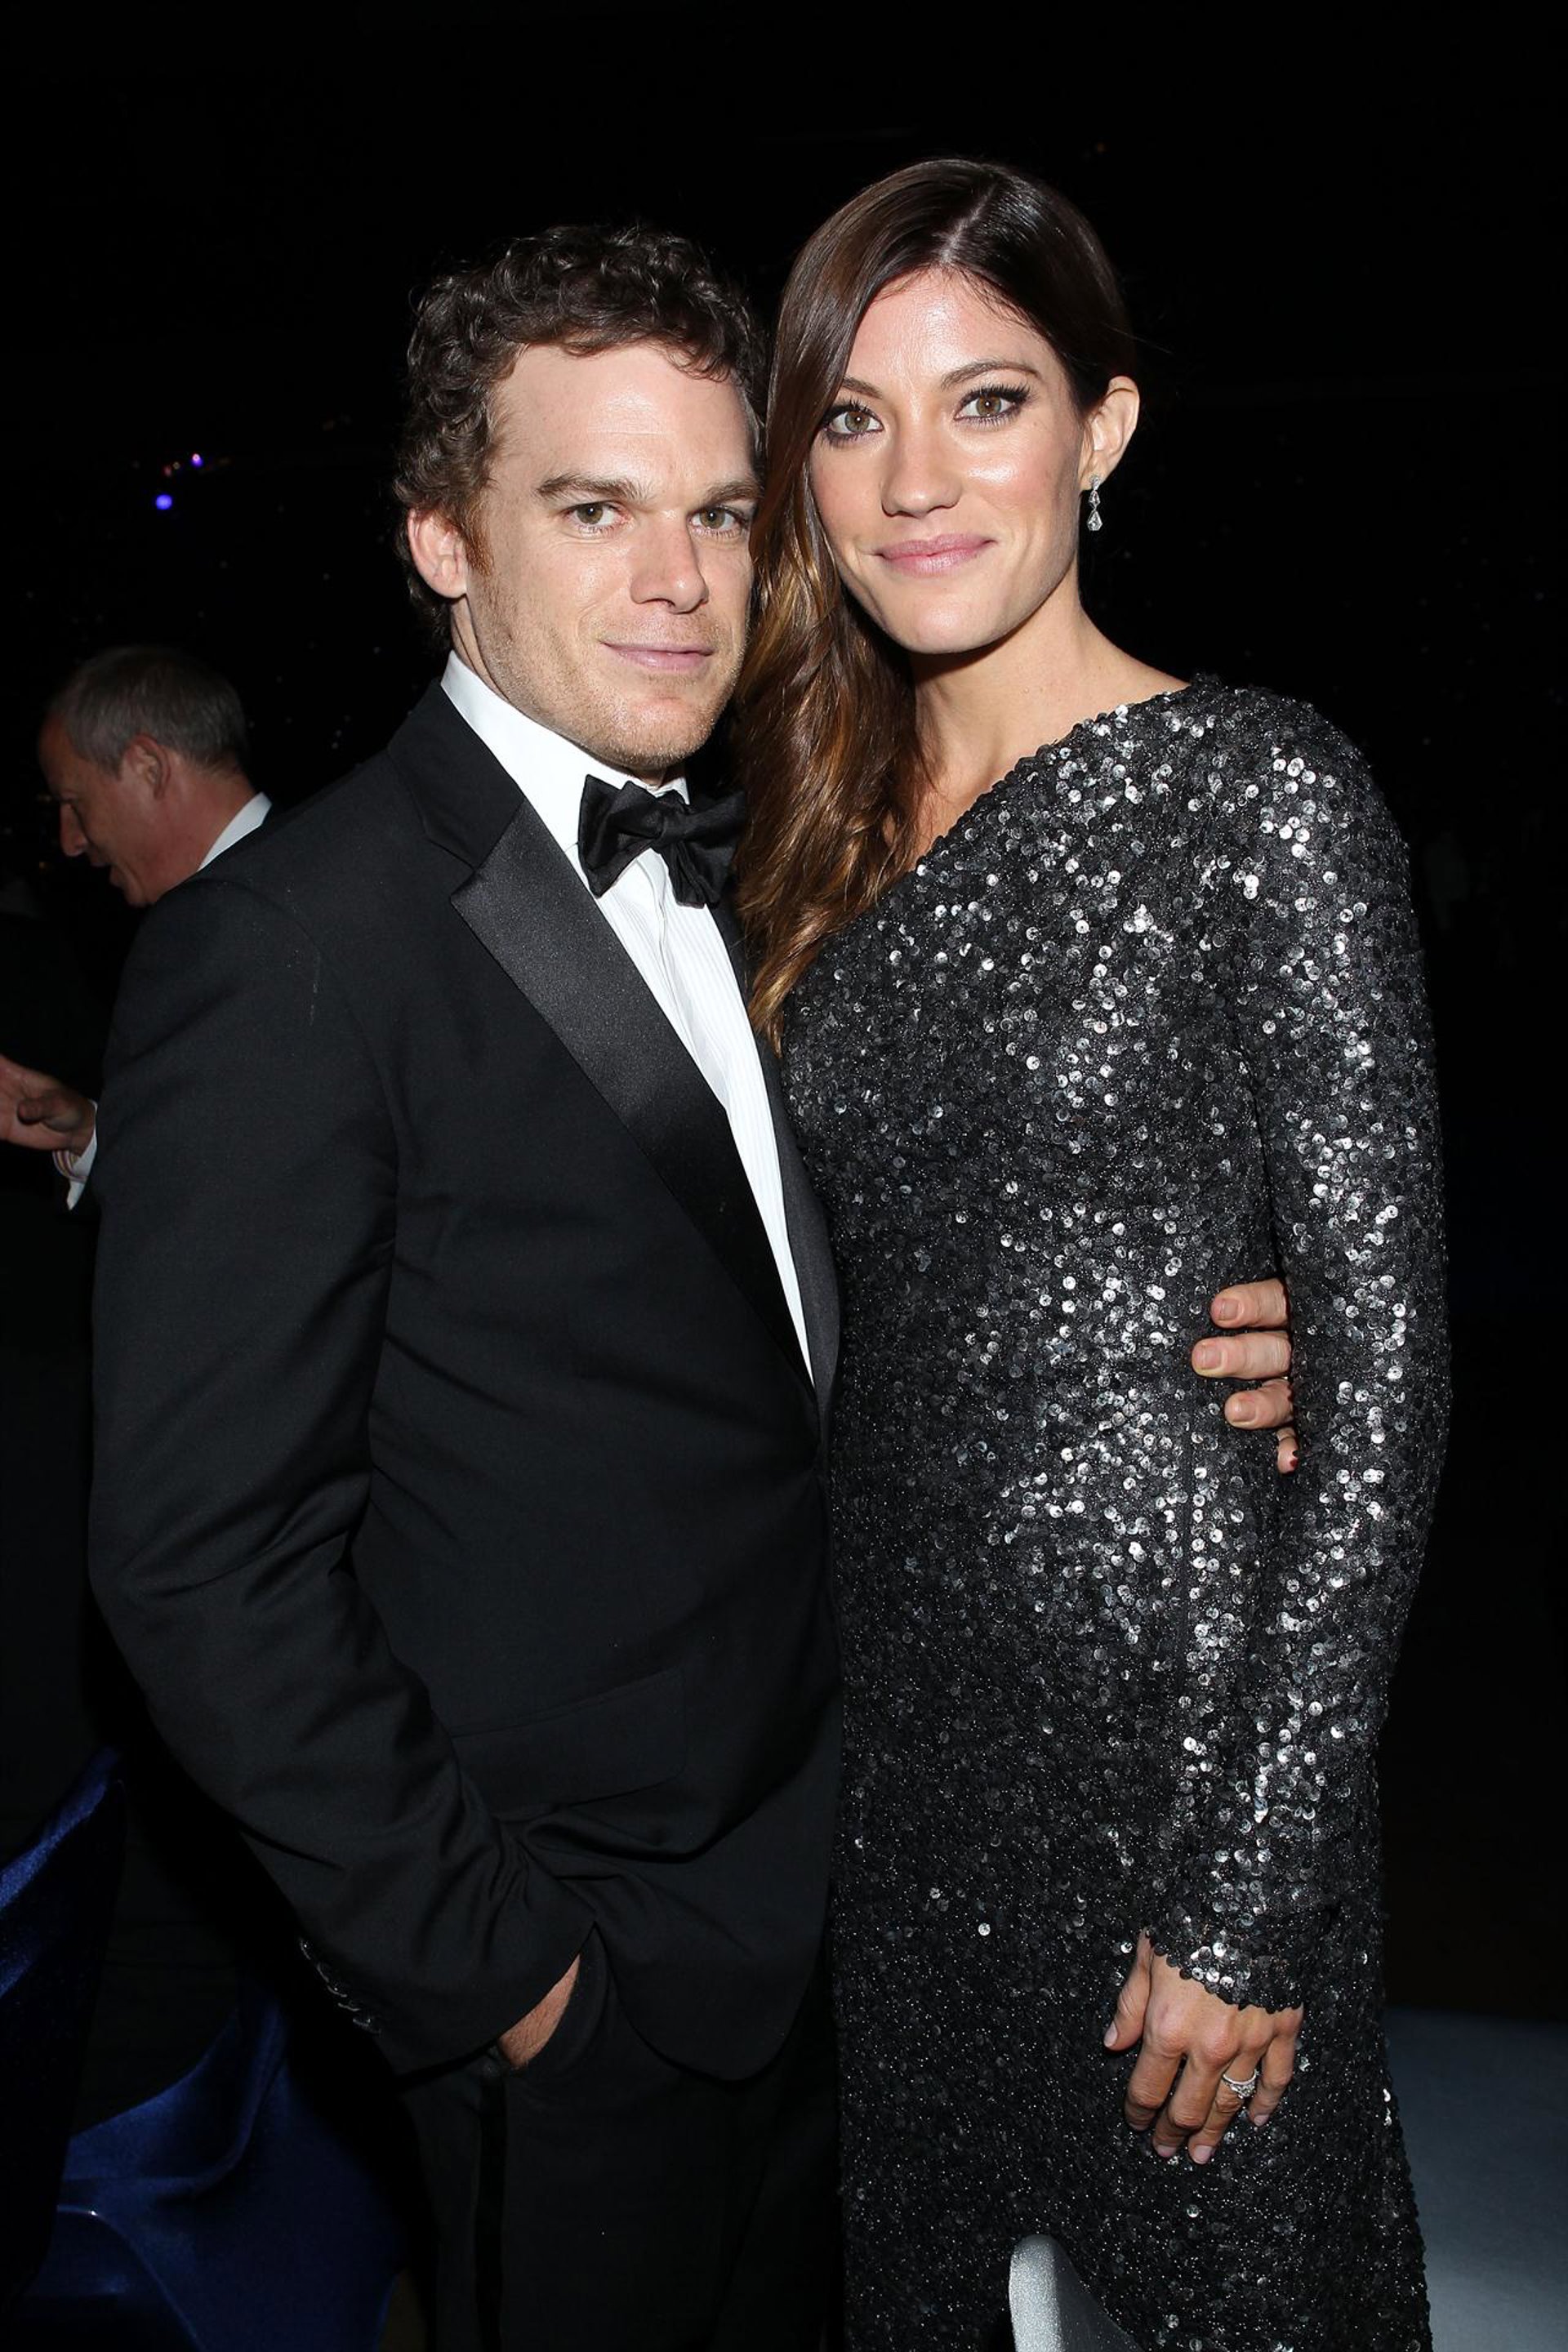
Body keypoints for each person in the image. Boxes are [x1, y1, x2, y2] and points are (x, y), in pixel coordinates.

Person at [85, 221, 1295, 2352]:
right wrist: (510, 1985)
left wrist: (1207, 1352)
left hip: (857, 1906)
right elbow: (199, 1562)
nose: (678, 579)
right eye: (594, 508)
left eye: (723, 513)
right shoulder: (291, 947)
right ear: (444, 539)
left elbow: (839, 1320)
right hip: (594, 1990)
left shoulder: (776, 873)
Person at [735, 159, 1448, 2352]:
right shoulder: (796, 850)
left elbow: (1388, 1398)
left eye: (988, 402)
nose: (916, 480)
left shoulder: (1260, 794)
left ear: (1103, 427)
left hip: (1185, 1746)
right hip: (897, 1777)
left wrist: (1251, 1893)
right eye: (853, 418)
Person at [2, 645, 270, 1198]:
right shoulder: (193, 931)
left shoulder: (324, 900)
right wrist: (92, 1135)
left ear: (149, 767)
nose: (70, 842)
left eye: (74, 803)